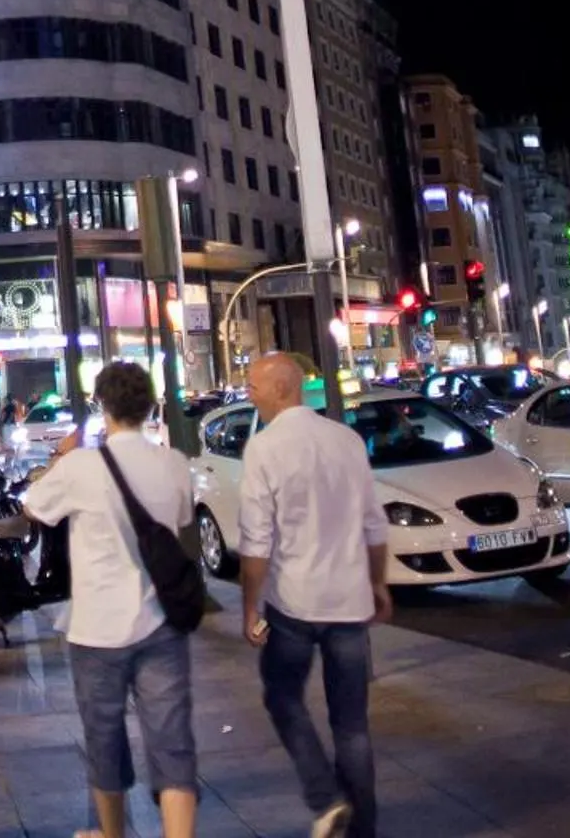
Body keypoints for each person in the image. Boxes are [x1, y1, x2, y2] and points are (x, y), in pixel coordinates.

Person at [24, 363, 200, 838]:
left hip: (96, 629)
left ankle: (112, 834)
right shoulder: (173, 463)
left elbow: (33, 506)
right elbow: (181, 516)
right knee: (172, 742)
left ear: (103, 406)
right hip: (161, 622)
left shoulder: (83, 466)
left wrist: (62, 458)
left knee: (105, 739)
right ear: (149, 407)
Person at [238, 352, 391, 838]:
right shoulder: (346, 441)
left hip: (294, 604)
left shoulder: (264, 449)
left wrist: (249, 606)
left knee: (283, 697)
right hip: (349, 601)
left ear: (280, 389)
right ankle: (362, 827)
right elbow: (373, 523)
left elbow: (256, 542)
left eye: (254, 386)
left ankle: (325, 797)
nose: (249, 394)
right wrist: (377, 582)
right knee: (352, 724)